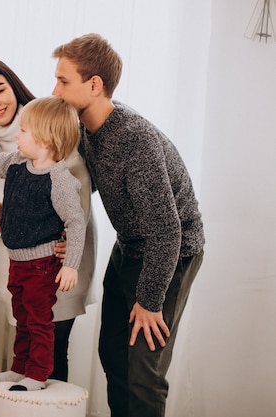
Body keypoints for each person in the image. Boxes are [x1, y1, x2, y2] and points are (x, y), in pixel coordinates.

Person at [51, 33, 205, 416]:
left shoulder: (134, 139)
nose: (55, 90)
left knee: (142, 372)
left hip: (171, 251)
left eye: (63, 81)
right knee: (113, 356)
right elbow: (73, 186)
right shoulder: (85, 128)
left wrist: (151, 301)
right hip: (131, 247)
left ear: (94, 85)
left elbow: (168, 231)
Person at [0, 57, 96, 384]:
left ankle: (43, 393)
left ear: (13, 86)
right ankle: (23, 378)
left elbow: (77, 197)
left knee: (53, 341)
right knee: (28, 327)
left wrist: (70, 249)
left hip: (57, 256)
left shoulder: (50, 123)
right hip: (19, 259)